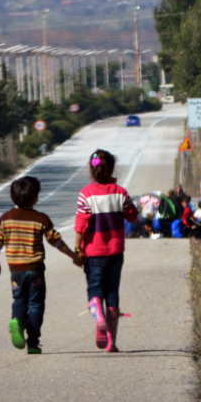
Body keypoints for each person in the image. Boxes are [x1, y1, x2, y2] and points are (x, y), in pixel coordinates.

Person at [0, 176, 83, 355]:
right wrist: (73, 255)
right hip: (35, 270)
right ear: (35, 198)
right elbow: (56, 242)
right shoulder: (40, 219)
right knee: (35, 304)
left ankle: (17, 320)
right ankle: (33, 342)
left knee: (19, 300)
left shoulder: (5, 219)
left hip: (15, 271)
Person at [75, 149, 139, 353]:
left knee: (95, 289)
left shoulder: (86, 194)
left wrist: (78, 248)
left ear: (91, 170)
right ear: (111, 168)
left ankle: (98, 317)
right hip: (116, 252)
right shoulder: (120, 192)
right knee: (112, 292)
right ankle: (111, 341)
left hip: (93, 253)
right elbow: (133, 217)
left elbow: (80, 225)